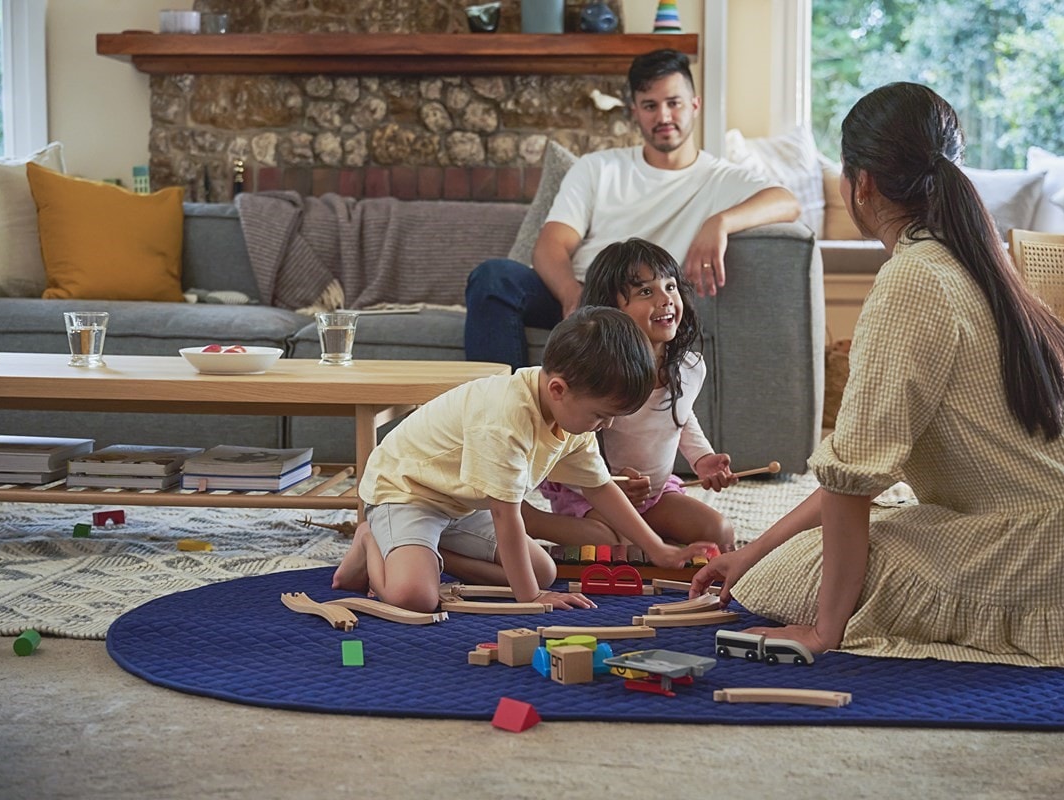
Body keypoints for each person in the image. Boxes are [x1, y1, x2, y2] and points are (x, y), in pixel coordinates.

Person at [691, 82, 1064, 672]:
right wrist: (754, 547)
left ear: (860, 183)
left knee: (782, 577)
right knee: (814, 544)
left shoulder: (911, 281)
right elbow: (853, 471)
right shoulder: (981, 257)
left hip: (1041, 557)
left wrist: (824, 628)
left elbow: (851, 481)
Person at [332, 305, 713, 614]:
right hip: (406, 493)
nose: (606, 425)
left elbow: (600, 488)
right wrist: (528, 598)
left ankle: (431, 553)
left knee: (544, 571)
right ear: (558, 390)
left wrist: (659, 549)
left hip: (460, 504)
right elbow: (506, 515)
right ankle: (371, 541)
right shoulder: (505, 419)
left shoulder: (570, 416)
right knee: (415, 599)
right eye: (601, 415)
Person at [464, 48, 801, 370]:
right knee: (493, 278)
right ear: (635, 111)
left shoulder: (720, 179)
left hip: (640, 305)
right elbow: (550, 245)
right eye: (650, 105)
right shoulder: (596, 167)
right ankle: (502, 414)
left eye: (674, 103)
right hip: (580, 292)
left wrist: (721, 221)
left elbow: (787, 201)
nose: (663, 116)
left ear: (695, 105)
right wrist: (572, 295)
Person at [525, 239, 736, 553]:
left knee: (719, 532)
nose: (665, 299)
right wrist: (612, 481)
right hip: (592, 491)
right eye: (646, 292)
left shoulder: (690, 368)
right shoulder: (598, 376)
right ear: (610, 309)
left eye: (671, 287)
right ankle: (530, 519)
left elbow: (679, 414)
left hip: (655, 494)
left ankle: (646, 537)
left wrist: (702, 459)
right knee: (614, 545)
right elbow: (565, 447)